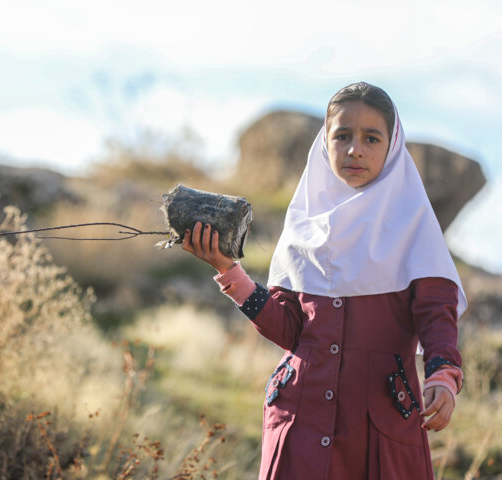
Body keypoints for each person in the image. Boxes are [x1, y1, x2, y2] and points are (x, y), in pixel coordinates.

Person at [182, 82, 465, 480]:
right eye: (342, 136)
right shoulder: (301, 225)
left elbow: (437, 312)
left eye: (371, 137)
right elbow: (291, 329)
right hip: (300, 416)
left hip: (379, 424)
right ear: (324, 142)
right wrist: (230, 272)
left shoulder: (414, 226)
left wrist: (443, 374)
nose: (355, 149)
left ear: (392, 144)